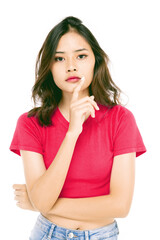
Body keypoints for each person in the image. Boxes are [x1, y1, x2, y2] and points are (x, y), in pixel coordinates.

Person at [10, 16, 146, 240]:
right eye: (59, 58)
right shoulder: (30, 123)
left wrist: (40, 203)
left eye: (81, 56)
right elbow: (41, 201)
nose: (71, 66)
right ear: (49, 67)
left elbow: (120, 206)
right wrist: (72, 133)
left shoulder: (121, 119)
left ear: (96, 61)